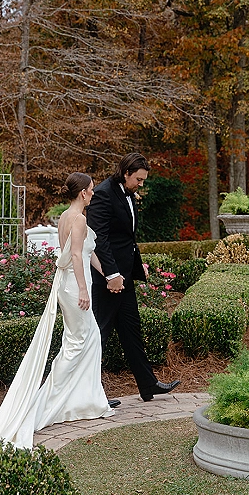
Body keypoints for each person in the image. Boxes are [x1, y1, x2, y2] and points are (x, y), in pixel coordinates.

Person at [0, 172, 116, 450]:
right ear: (82, 193)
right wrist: (84, 290)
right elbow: (75, 255)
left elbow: (88, 253)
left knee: (88, 340)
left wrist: (109, 274)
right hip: (76, 287)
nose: (94, 193)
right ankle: (47, 402)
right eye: (91, 189)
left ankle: (84, 400)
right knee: (77, 344)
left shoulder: (65, 216)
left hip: (69, 283)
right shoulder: (79, 219)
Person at [87, 152, 180, 402]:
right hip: (108, 280)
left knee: (131, 331)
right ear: (126, 173)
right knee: (100, 335)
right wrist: (112, 274)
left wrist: (135, 267)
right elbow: (99, 239)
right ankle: (91, 394)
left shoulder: (126, 193)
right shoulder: (104, 193)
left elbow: (126, 238)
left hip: (125, 276)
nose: (141, 184)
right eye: (138, 179)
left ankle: (148, 385)